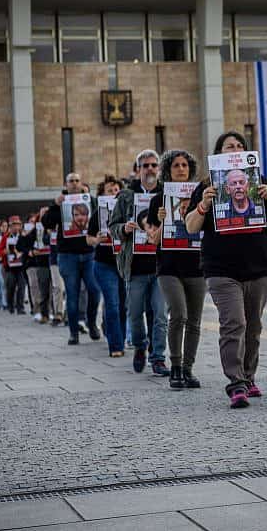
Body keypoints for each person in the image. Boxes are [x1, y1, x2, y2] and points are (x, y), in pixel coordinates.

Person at [185, 132, 267, 407]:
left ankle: (249, 377)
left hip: (259, 265)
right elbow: (191, 226)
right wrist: (204, 205)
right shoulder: (207, 187)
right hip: (221, 268)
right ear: (219, 153)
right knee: (234, 323)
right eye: (230, 146)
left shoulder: (260, 183)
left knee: (253, 326)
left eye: (240, 146)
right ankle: (235, 382)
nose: (236, 149)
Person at [146, 149, 205, 389]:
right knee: (178, 313)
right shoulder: (158, 200)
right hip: (169, 267)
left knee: (195, 320)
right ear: (168, 172)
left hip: (197, 266)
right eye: (176, 166)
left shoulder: (202, 195)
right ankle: (176, 366)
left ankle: (188, 369)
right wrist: (162, 220)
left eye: (185, 165)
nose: (181, 169)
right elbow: (152, 240)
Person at [109, 148, 169, 376]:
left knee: (161, 314)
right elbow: (112, 228)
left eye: (154, 165)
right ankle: (140, 346)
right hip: (135, 267)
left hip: (162, 264)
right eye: (145, 166)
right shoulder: (125, 196)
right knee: (134, 314)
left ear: (159, 169)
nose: (150, 169)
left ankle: (158, 357)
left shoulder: (166, 194)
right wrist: (123, 229)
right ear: (138, 170)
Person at [42, 172, 102, 345]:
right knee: (72, 293)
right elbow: (46, 222)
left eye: (77, 181)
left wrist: (89, 198)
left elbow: (101, 215)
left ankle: (91, 322)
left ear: (81, 183)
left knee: (94, 289)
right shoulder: (61, 202)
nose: (74, 184)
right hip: (68, 255)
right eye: (71, 181)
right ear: (66, 184)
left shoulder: (89, 200)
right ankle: (73, 331)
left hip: (89, 253)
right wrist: (55, 204)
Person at [88, 175, 128, 358]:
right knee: (112, 304)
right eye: (110, 190)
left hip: (124, 263)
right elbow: (88, 238)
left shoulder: (129, 211)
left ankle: (119, 336)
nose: (114, 193)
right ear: (103, 195)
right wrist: (96, 239)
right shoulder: (98, 213)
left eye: (116, 190)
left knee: (123, 305)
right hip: (104, 264)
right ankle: (116, 345)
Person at [0, 215, 29, 314]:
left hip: (21, 266)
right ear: (10, 227)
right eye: (13, 225)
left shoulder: (23, 236)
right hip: (9, 267)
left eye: (17, 225)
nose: (15, 227)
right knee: (10, 286)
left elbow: (27, 247)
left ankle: (20, 307)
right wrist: (4, 252)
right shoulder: (5, 237)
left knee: (21, 286)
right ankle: (10, 305)